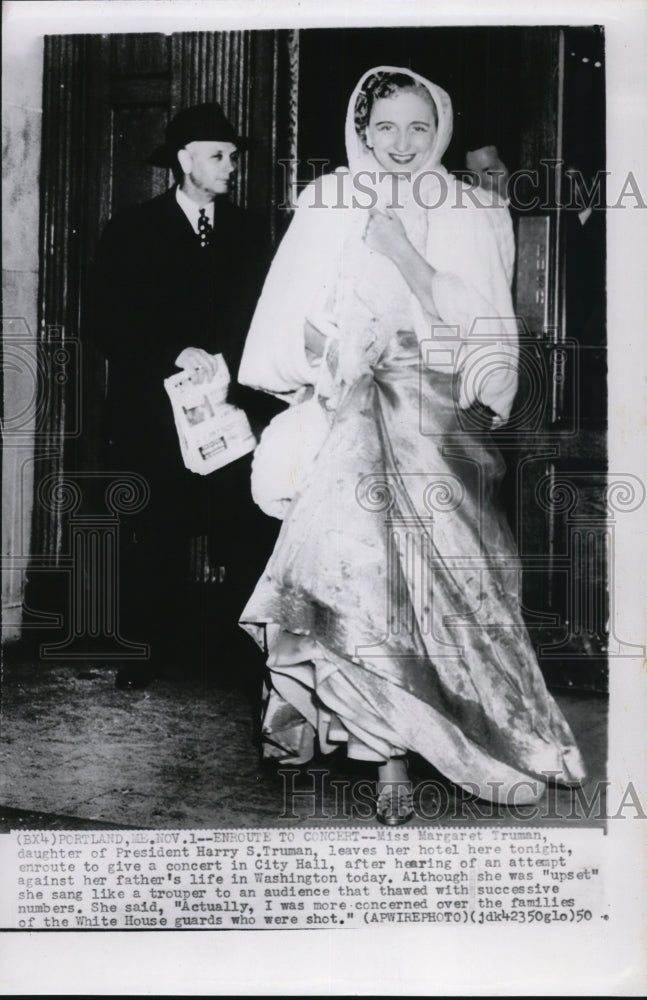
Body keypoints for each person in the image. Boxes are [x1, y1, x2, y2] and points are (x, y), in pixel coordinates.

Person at [238, 67, 586, 824]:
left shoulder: (470, 209)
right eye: (384, 127)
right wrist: (338, 354)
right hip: (354, 418)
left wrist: (402, 253)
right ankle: (386, 757)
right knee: (363, 584)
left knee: (460, 584)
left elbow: (483, 329)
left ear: (441, 132)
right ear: (361, 131)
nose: (400, 144)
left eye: (418, 128)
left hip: (437, 423)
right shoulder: (328, 204)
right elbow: (287, 324)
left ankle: (480, 731)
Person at [93, 103, 280, 687]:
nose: (231, 167)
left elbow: (266, 319)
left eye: (233, 157)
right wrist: (174, 352)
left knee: (245, 525)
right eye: (219, 156)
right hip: (153, 413)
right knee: (154, 529)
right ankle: (141, 652)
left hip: (232, 412)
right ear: (184, 160)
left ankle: (236, 657)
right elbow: (103, 319)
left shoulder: (252, 232)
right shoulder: (132, 228)